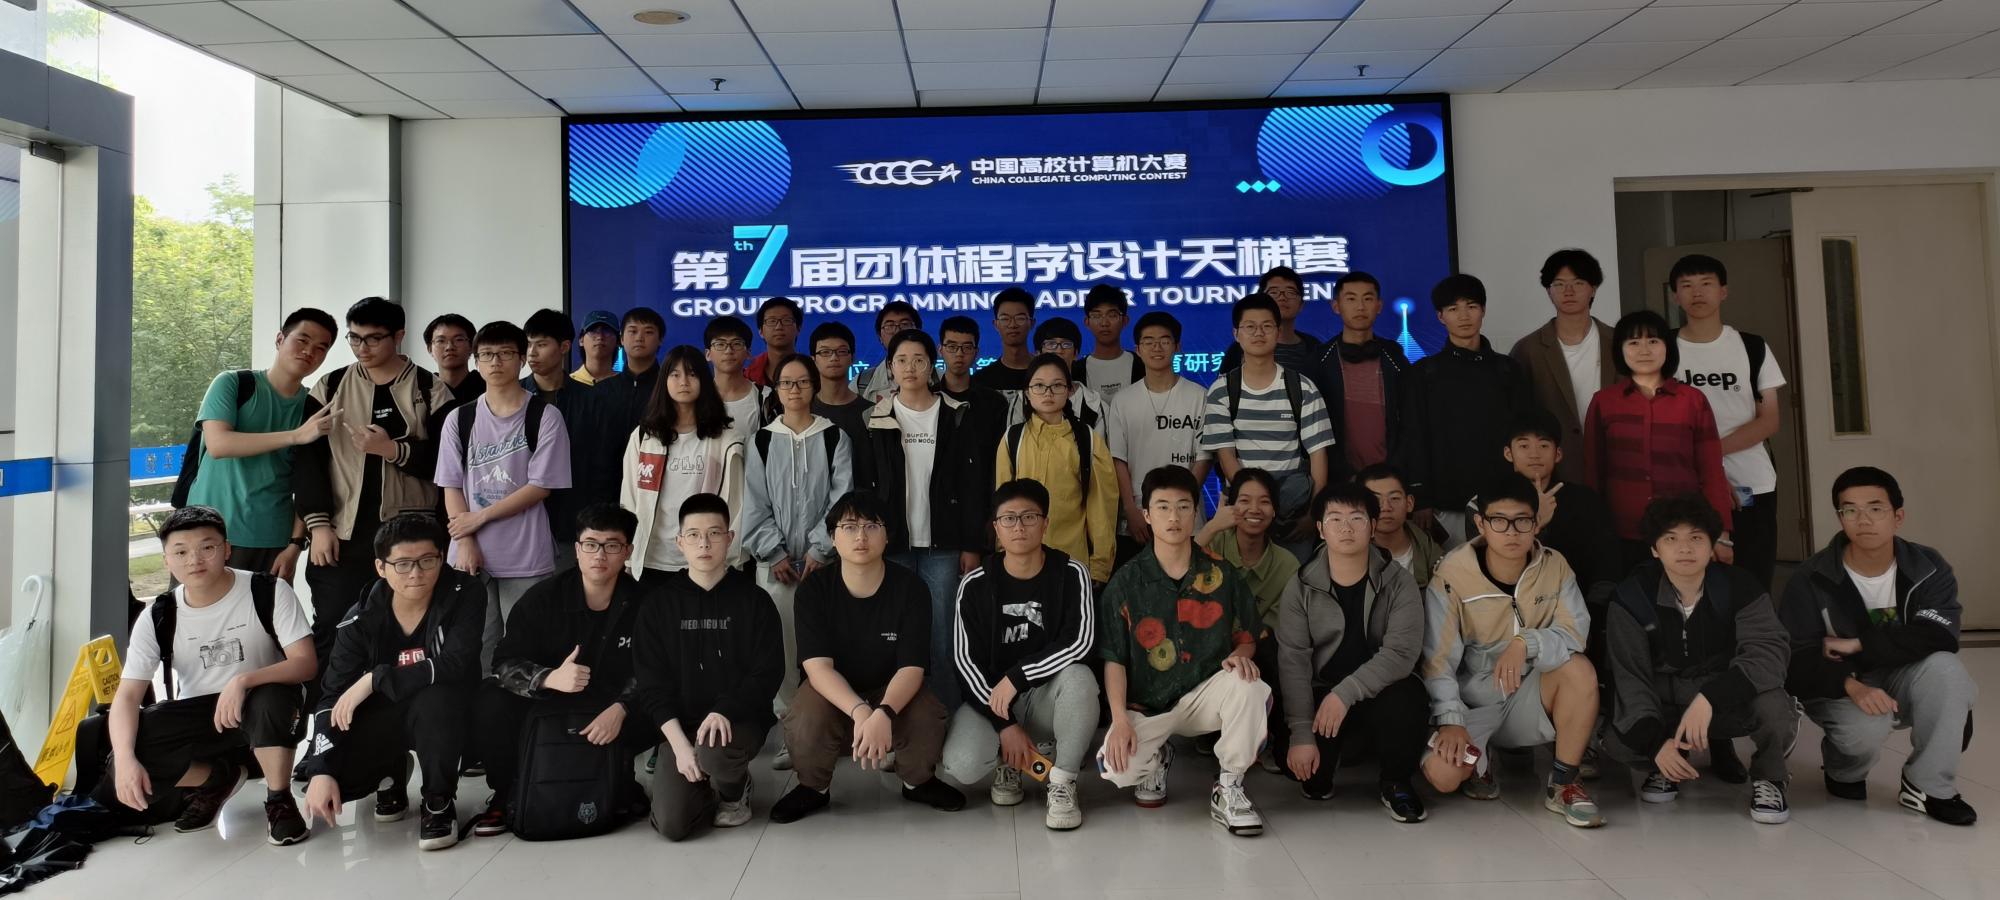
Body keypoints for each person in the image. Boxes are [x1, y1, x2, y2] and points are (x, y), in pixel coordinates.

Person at [96, 506, 317, 844]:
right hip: (203, 720)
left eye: (207, 547)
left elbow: (306, 663)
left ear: (226, 549)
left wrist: (243, 680)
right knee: (129, 744)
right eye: (181, 552)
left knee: (270, 697)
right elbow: (127, 696)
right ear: (167, 560)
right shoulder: (159, 614)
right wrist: (125, 759)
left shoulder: (267, 590)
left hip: (267, 712)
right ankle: (215, 780)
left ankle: (279, 799)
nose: (194, 560)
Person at [1780, 466, 1977, 825]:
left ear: (1898, 516)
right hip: (1841, 682)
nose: (1863, 520)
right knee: (1866, 729)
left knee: (1947, 671)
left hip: (1904, 673)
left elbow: (1938, 635)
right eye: (1850, 510)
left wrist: (1858, 644)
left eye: (1875, 508)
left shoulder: (1928, 567)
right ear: (1840, 517)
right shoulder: (1809, 578)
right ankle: (1843, 769)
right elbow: (1796, 656)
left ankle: (1928, 786)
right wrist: (1852, 685)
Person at [295, 297, 454, 709]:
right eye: (354, 338)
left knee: (406, 630)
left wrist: (393, 450)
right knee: (334, 627)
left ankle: (395, 722)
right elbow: (307, 461)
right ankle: (326, 722)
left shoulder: (430, 389)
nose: (361, 347)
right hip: (342, 534)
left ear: (398, 336)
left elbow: (448, 462)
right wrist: (318, 525)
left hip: (409, 537)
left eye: (373, 339)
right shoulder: (330, 387)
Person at [1420, 473, 1603, 828]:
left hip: (1529, 695)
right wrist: (1450, 720)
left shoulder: (1554, 566)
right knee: (1443, 776)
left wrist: (1526, 643)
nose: (1512, 532)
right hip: (1474, 706)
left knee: (1580, 670)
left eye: (1522, 521)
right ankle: (1481, 757)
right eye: (1499, 521)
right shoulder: (1452, 574)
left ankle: (1563, 783)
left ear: (1536, 523)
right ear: (1480, 524)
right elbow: (1437, 661)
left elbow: (1575, 632)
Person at [771, 491, 965, 823]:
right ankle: (813, 788)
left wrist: (883, 712)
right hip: (833, 692)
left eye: (872, 526)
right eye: (849, 527)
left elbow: (912, 668)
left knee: (927, 713)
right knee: (805, 717)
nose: (861, 536)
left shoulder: (911, 589)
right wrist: (861, 711)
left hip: (890, 689)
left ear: (887, 536)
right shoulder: (814, 590)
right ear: (833, 538)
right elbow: (817, 669)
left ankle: (917, 781)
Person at [1097, 465, 1269, 837]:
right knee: (1114, 769)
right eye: (1162, 507)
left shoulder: (1221, 573)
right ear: (1146, 515)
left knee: (1250, 686)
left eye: (1183, 506)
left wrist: (1241, 655)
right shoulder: (1126, 581)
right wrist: (1119, 720)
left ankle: (1229, 787)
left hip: (1205, 694)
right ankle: (1157, 756)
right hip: (1149, 704)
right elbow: (1114, 659)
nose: (1173, 517)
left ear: (1195, 513)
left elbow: (1248, 635)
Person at [1604, 494, 1796, 825]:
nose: (1684, 549)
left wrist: (1711, 697)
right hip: (1666, 699)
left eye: (1695, 538)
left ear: (1711, 545)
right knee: (1617, 740)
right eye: (1671, 539)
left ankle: (1770, 777)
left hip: (1723, 696)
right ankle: (1666, 762)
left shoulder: (1741, 586)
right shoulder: (1632, 596)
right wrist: (1655, 745)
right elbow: (1631, 677)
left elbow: (1768, 655)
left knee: (1775, 707)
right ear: (1654, 549)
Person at [299, 514, 483, 851]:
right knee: (335, 771)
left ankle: (438, 801)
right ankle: (390, 772)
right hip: (384, 715)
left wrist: (375, 679)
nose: (416, 573)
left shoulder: (465, 592)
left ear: (442, 558)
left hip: (446, 712)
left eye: (427, 561)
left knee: (436, 699)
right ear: (381, 567)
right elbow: (332, 696)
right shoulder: (358, 620)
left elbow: (455, 663)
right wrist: (320, 770)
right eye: (402, 564)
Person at [469, 503, 654, 837]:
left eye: (612, 545)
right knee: (490, 699)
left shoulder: (646, 602)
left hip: (611, 706)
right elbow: (504, 662)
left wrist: (623, 707)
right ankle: (507, 791)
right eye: (591, 544)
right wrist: (548, 678)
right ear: (577, 549)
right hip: (550, 703)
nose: (600, 555)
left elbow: (658, 667)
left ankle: (621, 780)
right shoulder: (544, 598)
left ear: (627, 551)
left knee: (663, 701)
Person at [941, 480, 1100, 830]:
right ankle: (1008, 761)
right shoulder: (975, 583)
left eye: (1029, 517)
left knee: (1080, 679)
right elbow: (965, 664)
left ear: (1045, 523)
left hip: (1046, 697)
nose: (1019, 527)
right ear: (996, 528)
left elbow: (1080, 642)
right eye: (1008, 519)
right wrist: (1005, 725)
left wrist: (1017, 677)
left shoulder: (1072, 573)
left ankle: (1062, 780)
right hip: (993, 701)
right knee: (962, 763)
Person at [632, 493, 786, 840]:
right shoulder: (658, 605)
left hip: (737, 722)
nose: (704, 544)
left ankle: (734, 792)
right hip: (681, 726)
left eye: (714, 534)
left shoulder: (754, 600)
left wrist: (725, 710)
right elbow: (651, 684)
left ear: (729, 539)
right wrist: (678, 745)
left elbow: (767, 673)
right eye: (694, 535)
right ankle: (700, 782)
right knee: (672, 825)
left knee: (715, 751)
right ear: (679, 542)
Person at [1276, 484, 1430, 821]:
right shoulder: (1300, 586)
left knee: (1409, 695)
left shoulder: (1399, 582)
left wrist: (1345, 693)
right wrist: (1301, 733)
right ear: (1320, 529)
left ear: (1373, 527)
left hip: (1380, 692)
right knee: (1309, 778)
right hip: (1324, 691)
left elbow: (1401, 654)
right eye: (1335, 519)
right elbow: (1293, 662)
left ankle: (1396, 782)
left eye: (1357, 518)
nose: (1346, 528)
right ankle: (1337, 757)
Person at [436, 321, 572, 674]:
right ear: (476, 361)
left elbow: (541, 486)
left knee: (527, 648)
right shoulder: (459, 418)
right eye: (486, 354)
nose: (495, 362)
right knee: (474, 650)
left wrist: (479, 517)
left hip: (525, 554)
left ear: (522, 359)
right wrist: (465, 540)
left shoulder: (544, 415)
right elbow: (451, 484)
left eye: (505, 353)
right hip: (470, 555)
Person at [740, 352, 854, 770]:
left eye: (802, 382)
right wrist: (772, 552)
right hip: (777, 567)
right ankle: (793, 732)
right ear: (776, 390)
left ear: (814, 387)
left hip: (827, 563)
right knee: (784, 651)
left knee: (830, 646)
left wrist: (821, 549)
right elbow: (754, 502)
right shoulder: (761, 441)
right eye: (786, 383)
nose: (794, 389)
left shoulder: (835, 437)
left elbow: (842, 500)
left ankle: (835, 729)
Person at [865, 329, 987, 710]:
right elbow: (867, 487)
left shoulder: (957, 414)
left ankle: (945, 713)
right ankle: (896, 713)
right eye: (901, 360)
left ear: (931, 364)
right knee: (895, 631)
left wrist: (972, 544)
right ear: (890, 367)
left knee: (942, 634)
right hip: (893, 544)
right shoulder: (875, 418)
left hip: (944, 544)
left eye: (918, 360)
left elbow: (973, 485)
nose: (910, 368)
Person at [186, 307, 337, 580]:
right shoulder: (233, 384)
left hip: (272, 541)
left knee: (265, 609)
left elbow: (308, 479)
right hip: (205, 533)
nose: (309, 352)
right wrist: (295, 435)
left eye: (320, 348)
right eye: (302, 340)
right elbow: (219, 444)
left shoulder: (312, 409)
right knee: (193, 607)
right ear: (280, 339)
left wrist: (295, 545)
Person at [1582, 310, 1734, 571]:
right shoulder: (1603, 402)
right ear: (1620, 350)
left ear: (1667, 347)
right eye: (1633, 342)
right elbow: (1593, 472)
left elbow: (1711, 470)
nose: (1644, 350)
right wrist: (1594, 531)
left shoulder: (1692, 400)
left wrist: (1722, 534)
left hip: (1682, 531)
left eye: (1653, 341)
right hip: (1621, 532)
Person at [1672, 254, 1787, 589]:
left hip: (1752, 482)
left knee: (1752, 577)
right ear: (1675, 295)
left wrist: (1710, 454)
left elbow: (1769, 421)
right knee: (1692, 579)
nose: (1697, 292)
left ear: (1723, 291)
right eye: (1687, 285)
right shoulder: (1662, 348)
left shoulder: (1751, 346)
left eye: (1706, 283)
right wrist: (1706, 466)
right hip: (1684, 482)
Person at [1398, 274, 1533, 549]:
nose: (1463, 316)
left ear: (1483, 310)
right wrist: (1421, 498)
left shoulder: (1508, 370)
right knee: (1450, 571)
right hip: (1444, 505)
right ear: (1440, 316)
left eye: (1471, 306)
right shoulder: (1424, 373)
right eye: (1453, 308)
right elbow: (1415, 437)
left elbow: (1523, 433)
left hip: (1501, 500)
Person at [1202, 292, 1336, 561]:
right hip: (1242, 510)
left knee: (1293, 579)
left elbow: (1318, 457)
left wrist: (1313, 511)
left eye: (1266, 326)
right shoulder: (1221, 390)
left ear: (1277, 332)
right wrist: (1255, 504)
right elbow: (1226, 457)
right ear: (1236, 334)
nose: (1258, 333)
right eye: (1250, 326)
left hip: (1294, 513)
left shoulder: (1303, 388)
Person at [1195, 468, 1299, 765]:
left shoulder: (1287, 564)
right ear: (1230, 505)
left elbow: (1274, 627)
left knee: (1279, 652)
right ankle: (1207, 727)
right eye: (1244, 500)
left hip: (1256, 646)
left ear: (1275, 510)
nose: (1254, 509)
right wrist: (1211, 527)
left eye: (1264, 501)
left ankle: (1270, 736)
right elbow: (1174, 571)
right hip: (1208, 641)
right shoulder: (1213, 544)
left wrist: (1243, 649)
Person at [621, 345, 746, 582]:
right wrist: (629, 557)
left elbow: (736, 504)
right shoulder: (644, 436)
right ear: (664, 381)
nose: (684, 382)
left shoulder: (727, 440)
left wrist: (728, 560)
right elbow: (629, 498)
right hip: (651, 559)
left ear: (704, 380)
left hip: (706, 560)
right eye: (675, 374)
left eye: (692, 374)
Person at [994, 353, 1117, 587]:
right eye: (1039, 386)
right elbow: (1002, 501)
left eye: (1057, 385)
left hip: (1072, 560)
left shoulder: (1087, 439)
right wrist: (1002, 552)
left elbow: (1101, 505)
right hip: (1019, 561)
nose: (1048, 393)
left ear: (1069, 391)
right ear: (1027, 393)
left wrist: (1100, 566)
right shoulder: (1013, 438)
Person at [1107, 311, 1211, 562]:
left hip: (1187, 516)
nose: (1157, 347)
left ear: (1177, 346)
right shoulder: (1123, 400)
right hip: (1138, 518)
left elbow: (1205, 457)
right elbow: (1118, 459)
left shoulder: (1199, 396)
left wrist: (1185, 501)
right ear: (1138, 349)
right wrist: (1130, 509)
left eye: (1164, 340)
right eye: (1148, 341)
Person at [1509, 249, 1615, 484]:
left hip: (1615, 463)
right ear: (1548, 290)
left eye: (1578, 283)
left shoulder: (1618, 342)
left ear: (1593, 288)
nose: (1569, 291)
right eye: (1559, 284)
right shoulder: (1528, 350)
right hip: (1556, 470)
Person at [1503, 410, 1620, 606]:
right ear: (1508, 453)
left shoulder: (1585, 500)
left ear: (1558, 454)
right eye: (1524, 446)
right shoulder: (1489, 504)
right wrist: (1536, 522)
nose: (1534, 454)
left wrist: (1593, 611)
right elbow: (1493, 569)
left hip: (1578, 608)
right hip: (1513, 607)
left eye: (1544, 445)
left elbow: (1606, 566)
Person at [1307, 271, 1410, 477]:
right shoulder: (1319, 359)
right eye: (1351, 299)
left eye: (1368, 299)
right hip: (1339, 478)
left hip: (1391, 476)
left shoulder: (1394, 356)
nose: (1360, 307)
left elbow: (1411, 420)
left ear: (1379, 306)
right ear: (1336, 306)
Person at [523, 308, 590, 569]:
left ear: (564, 347)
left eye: (541, 344)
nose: (532, 353)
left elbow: (601, 462)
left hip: (574, 520)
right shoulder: (514, 395)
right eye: (528, 344)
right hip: (522, 517)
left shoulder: (591, 399)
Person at [936, 315, 1011, 483]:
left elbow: (1000, 458)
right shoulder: (928, 398)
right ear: (940, 350)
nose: (959, 354)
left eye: (967, 347)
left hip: (980, 491)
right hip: (936, 492)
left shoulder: (995, 403)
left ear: (976, 352)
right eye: (952, 347)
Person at [807, 321, 875, 490]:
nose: (834, 358)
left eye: (841, 351)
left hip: (863, 502)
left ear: (852, 357)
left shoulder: (871, 412)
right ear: (813, 359)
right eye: (825, 352)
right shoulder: (804, 411)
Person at [1221, 266, 1323, 374]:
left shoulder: (1314, 347)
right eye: (1274, 292)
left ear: (1301, 304)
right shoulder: (1241, 348)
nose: (1282, 298)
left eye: (1290, 292)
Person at [1357, 463, 1442, 586]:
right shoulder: (1349, 556)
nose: (1386, 507)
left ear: (1409, 503)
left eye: (1394, 498)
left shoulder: (1434, 556)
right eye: (1375, 500)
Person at [1029, 317, 1108, 429]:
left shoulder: (1095, 405)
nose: (1059, 350)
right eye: (1051, 344)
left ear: (1076, 353)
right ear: (1038, 353)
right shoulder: (1022, 401)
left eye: (1066, 344)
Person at [705, 314, 765, 445]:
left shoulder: (766, 397)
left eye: (736, 344)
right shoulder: (696, 396)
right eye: (720, 344)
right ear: (708, 354)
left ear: (748, 353)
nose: (728, 350)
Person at [1076, 283, 1142, 400]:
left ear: (1125, 321)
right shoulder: (1076, 370)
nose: (1104, 323)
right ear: (1087, 322)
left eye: (1112, 315)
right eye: (1096, 316)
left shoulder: (1142, 364)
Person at [853, 301, 921, 402]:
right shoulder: (862, 382)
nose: (897, 331)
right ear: (880, 337)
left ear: (918, 332)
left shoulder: (939, 378)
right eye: (889, 326)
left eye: (905, 324)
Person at [972, 286, 1036, 394]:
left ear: (1032, 323)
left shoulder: (1047, 374)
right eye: (1005, 319)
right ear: (996, 324)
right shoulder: (980, 380)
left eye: (1020, 318)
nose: (1012, 325)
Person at [424, 313, 485, 407]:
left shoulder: (489, 387)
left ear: (472, 346)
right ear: (429, 349)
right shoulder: (422, 391)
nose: (449, 347)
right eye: (441, 341)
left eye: (458, 340)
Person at [746, 296, 803, 387]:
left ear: (798, 329)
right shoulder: (747, 377)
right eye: (771, 321)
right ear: (760, 331)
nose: (778, 327)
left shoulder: (812, 372)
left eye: (786, 320)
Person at [571, 309, 621, 385]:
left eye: (607, 331)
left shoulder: (625, 385)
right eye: (593, 331)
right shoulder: (568, 384)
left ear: (618, 341)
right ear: (581, 340)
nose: (600, 337)